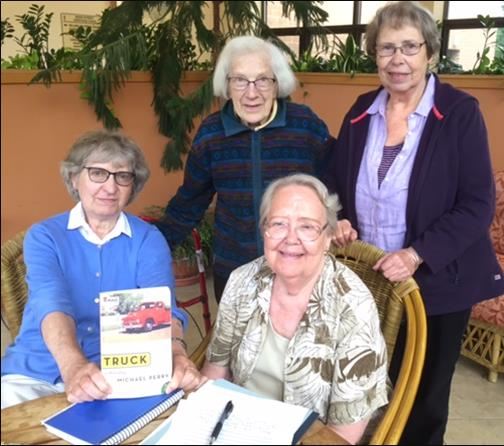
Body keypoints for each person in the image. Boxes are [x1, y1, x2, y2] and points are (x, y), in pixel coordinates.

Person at [321, 2, 504, 444]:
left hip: (437, 283)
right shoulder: (362, 111)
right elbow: (333, 181)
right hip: (369, 282)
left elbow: (478, 203)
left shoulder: (458, 112)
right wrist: (337, 217)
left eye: (409, 47)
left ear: (430, 53)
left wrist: (417, 254)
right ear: (374, 54)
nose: (397, 59)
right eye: (386, 48)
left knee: (423, 399)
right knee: (363, 384)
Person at [1, 130, 205, 409]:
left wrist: (176, 352)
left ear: (133, 186)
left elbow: (162, 309)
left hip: (120, 374)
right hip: (37, 369)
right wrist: (73, 366)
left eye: (122, 176)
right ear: (75, 178)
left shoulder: (148, 239)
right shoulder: (45, 236)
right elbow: (51, 302)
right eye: (98, 173)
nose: (110, 188)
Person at [201, 174, 389, 445]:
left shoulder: (353, 307)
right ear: (264, 231)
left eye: (307, 227)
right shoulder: (242, 281)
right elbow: (215, 373)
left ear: (327, 237)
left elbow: (343, 434)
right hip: (236, 431)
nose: (291, 238)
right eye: (278, 224)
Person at [156, 35, 330, 303]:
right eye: (239, 80)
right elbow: (189, 201)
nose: (251, 93)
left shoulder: (305, 125)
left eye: (262, 80)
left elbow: (336, 184)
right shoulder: (212, 134)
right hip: (235, 272)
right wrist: (151, 247)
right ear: (226, 85)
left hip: (300, 269)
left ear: (277, 83)